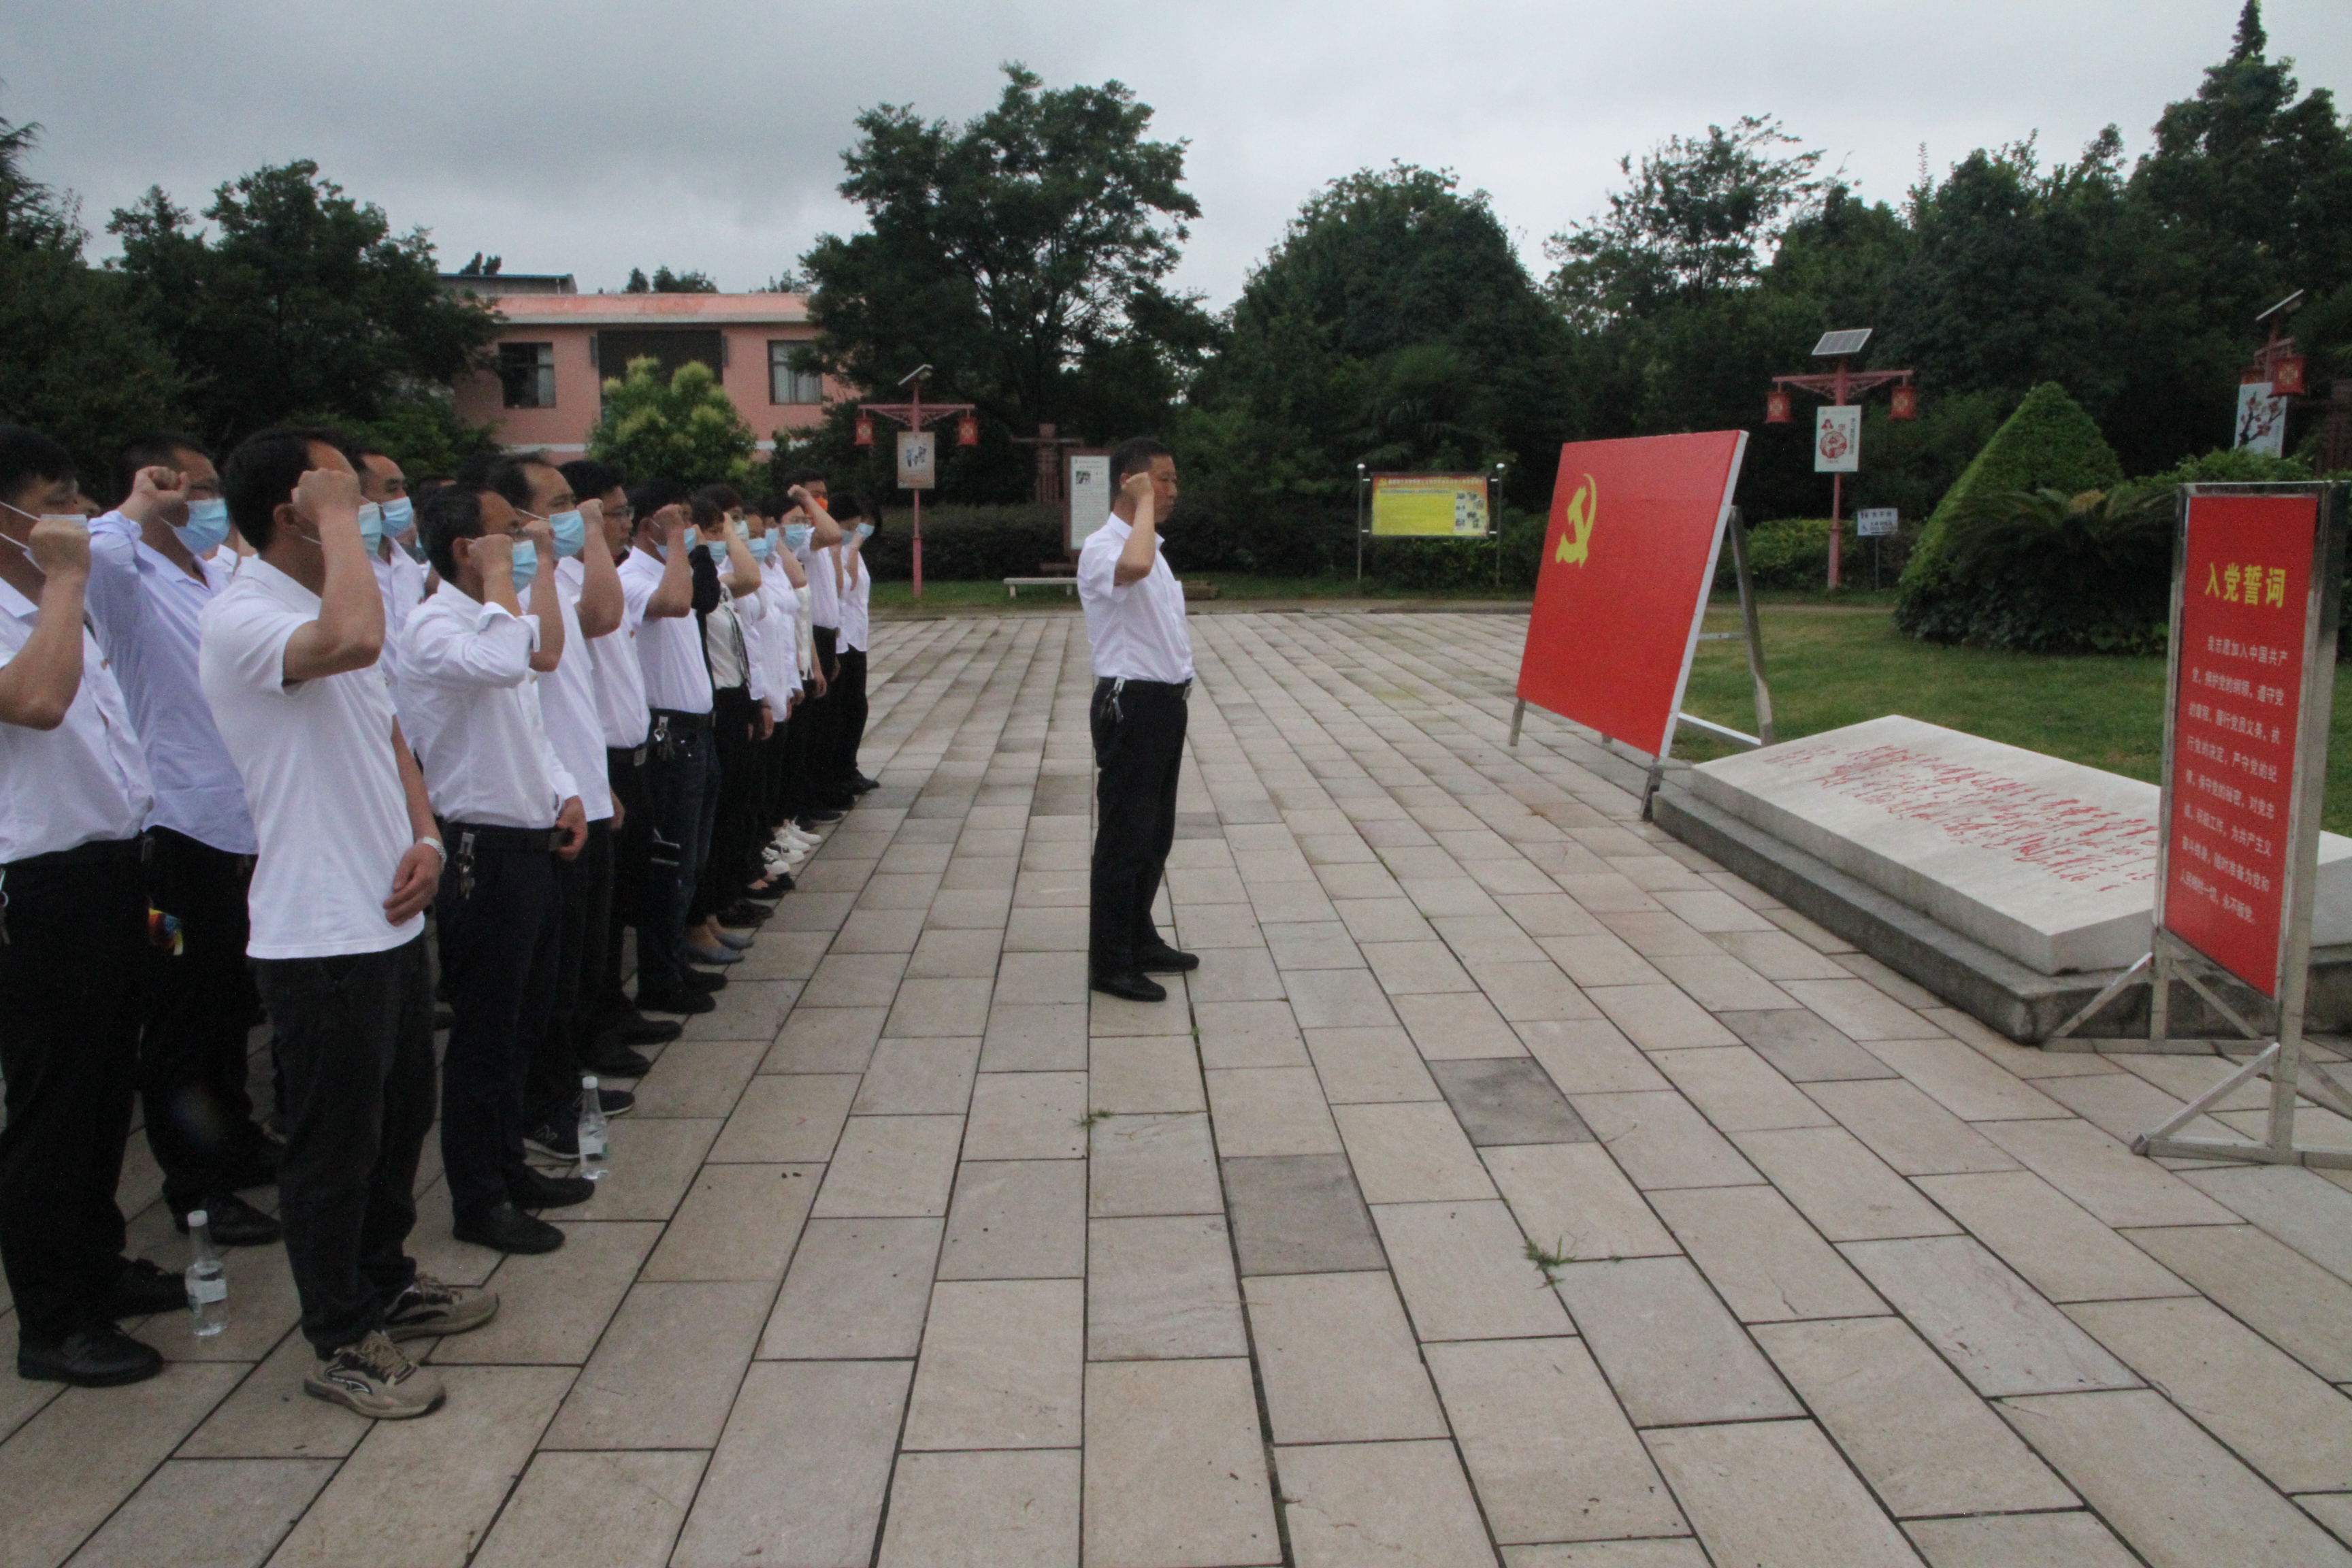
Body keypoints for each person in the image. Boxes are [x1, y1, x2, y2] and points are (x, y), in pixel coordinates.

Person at [202, 426, 495, 1418]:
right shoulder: (244, 615)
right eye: (346, 495)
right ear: (291, 514)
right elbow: (357, 646)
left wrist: (425, 834)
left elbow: (389, 732)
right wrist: (335, 526)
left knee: (401, 1117)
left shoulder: (330, 599)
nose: (369, 511)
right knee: (334, 1144)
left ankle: (386, 1280)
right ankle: (338, 1335)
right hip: (319, 928)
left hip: (389, 911)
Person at [0, 427, 175, 1388]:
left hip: (109, 868)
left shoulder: (44, 602)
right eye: (55, 500)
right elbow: (37, 701)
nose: (75, 516)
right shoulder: (42, 603)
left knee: (107, 1088)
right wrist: (67, 579)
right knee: (55, 1103)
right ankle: (54, 1318)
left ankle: (97, 1263)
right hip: (37, 886)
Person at [87, 435, 281, 1247]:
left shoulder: (217, 575)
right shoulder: (125, 578)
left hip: (237, 823)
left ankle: (234, 1140)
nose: (199, 502)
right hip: (173, 836)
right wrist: (137, 507)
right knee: (178, 1016)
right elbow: (96, 550)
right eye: (183, 487)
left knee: (227, 1002)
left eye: (206, 487)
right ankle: (196, 1189)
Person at [399, 484, 590, 1255]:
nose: (525, 536)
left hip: (530, 842)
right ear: (465, 550)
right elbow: (509, 663)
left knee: (523, 1025)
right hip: (482, 853)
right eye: (507, 532)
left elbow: (535, 693)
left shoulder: (495, 619)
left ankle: (510, 1167)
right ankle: (478, 1197)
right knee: (485, 1036)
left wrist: (564, 790)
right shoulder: (433, 627)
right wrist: (505, 578)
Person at [485, 455, 635, 1161]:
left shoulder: (559, 578)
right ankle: (538, 1102)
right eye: (562, 504)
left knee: (580, 960)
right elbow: (537, 672)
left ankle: (566, 1084)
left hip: (583, 791)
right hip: (546, 808)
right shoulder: (505, 597)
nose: (578, 516)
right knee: (545, 979)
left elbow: (603, 617)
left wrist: (597, 784)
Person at [557, 459, 679, 1065]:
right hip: (596, 762)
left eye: (626, 511)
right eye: (614, 513)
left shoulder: (597, 575)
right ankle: (593, 1031)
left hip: (628, 758)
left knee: (623, 897)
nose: (625, 523)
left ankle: (613, 1006)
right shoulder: (569, 586)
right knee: (595, 919)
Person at [1077, 438, 1200, 1002]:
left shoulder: (1154, 548)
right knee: (1124, 838)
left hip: (1164, 704)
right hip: (1131, 705)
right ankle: (1110, 961)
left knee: (1155, 835)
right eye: (1163, 480)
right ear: (1133, 483)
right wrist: (1144, 502)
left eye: (1173, 481)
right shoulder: (1104, 548)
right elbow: (1135, 565)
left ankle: (1138, 936)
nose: (1173, 491)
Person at [615, 480, 721, 1015]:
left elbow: (700, 597)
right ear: (647, 527)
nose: (686, 529)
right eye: (675, 519)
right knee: (671, 862)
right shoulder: (632, 578)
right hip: (667, 736)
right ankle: (660, 975)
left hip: (697, 730)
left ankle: (676, 959)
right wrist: (678, 540)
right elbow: (677, 604)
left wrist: (681, 546)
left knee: (693, 857)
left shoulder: (668, 570)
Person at [684, 485, 766, 960]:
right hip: (711, 703)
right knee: (710, 826)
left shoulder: (713, 578)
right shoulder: (693, 583)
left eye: (724, 530)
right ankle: (700, 918)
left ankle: (713, 911)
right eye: (714, 531)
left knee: (730, 811)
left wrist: (727, 532)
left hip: (734, 698)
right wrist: (706, 542)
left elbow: (749, 576)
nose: (723, 539)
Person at [826, 494, 879, 800]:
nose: (862, 530)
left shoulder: (851, 549)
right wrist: (854, 547)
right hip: (842, 639)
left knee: (857, 707)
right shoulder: (837, 548)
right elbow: (847, 586)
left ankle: (849, 767)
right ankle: (839, 772)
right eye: (857, 525)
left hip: (858, 638)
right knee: (845, 709)